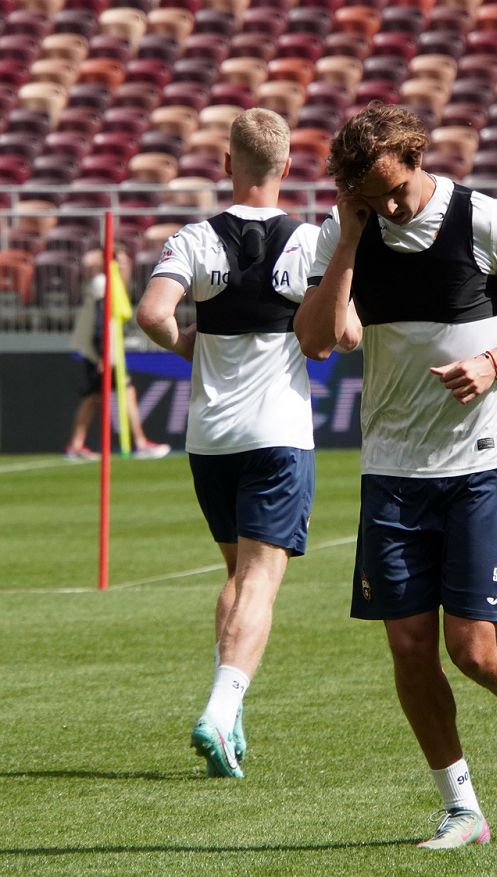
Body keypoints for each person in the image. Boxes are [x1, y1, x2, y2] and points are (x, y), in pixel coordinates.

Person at [294, 103, 497, 849]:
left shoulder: (484, 219)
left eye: (396, 190)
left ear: (417, 158)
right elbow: (318, 340)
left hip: (480, 461)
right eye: (372, 198)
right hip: (392, 470)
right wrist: (349, 239)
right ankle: (462, 808)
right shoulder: (345, 233)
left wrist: (495, 361)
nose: (390, 208)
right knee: (409, 648)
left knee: (474, 649)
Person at [136, 108, 320, 778]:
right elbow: (343, 332)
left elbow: (152, 312)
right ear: (287, 166)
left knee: (238, 577)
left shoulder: (194, 238)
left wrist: (184, 343)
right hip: (278, 434)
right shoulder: (309, 242)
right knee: (261, 583)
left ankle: (230, 714)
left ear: (226, 163)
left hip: (210, 437)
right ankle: (220, 708)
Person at [65, 246, 171, 461]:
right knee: (121, 392)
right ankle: (140, 443)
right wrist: (103, 354)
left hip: (105, 350)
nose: (123, 266)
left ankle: (76, 445)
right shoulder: (103, 284)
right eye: (119, 262)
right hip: (100, 351)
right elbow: (99, 321)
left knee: (94, 397)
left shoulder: (115, 284)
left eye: (125, 262)